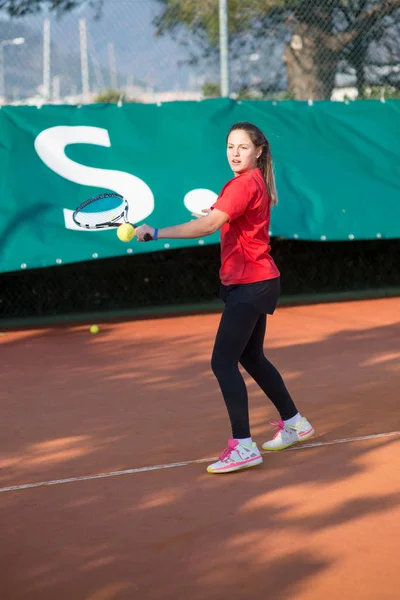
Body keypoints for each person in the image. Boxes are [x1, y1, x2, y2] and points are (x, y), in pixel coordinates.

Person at [136, 121, 314, 474]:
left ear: (258, 151)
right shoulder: (251, 183)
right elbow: (227, 220)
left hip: (250, 284)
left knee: (223, 362)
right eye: (230, 146)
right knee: (252, 357)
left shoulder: (244, 183)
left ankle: (243, 445)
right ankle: (295, 423)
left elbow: (206, 227)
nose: (235, 153)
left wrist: (155, 232)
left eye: (243, 147)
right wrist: (218, 218)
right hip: (256, 281)